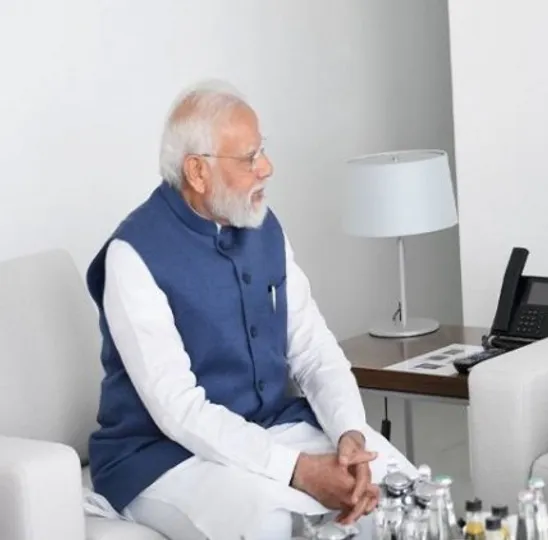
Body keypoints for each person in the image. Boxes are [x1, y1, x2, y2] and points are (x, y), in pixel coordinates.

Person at [84, 81, 415, 539]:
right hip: (162, 455)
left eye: (263, 151)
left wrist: (349, 436)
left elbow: (314, 349)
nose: (267, 168)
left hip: (274, 426)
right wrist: (298, 470)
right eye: (249, 158)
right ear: (197, 172)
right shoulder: (133, 255)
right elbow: (178, 409)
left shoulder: (263, 226)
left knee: (404, 491)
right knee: (274, 522)